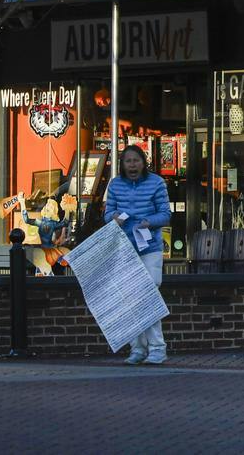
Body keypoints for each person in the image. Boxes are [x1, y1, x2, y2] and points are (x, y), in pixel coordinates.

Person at [103, 144, 170, 364]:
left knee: (147, 292)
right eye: (128, 161)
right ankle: (139, 349)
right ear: (122, 164)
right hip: (125, 249)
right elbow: (107, 215)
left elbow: (165, 215)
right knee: (132, 300)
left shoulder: (157, 183)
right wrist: (114, 217)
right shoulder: (115, 184)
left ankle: (157, 348)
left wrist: (149, 222)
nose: (132, 165)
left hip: (149, 247)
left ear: (143, 162)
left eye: (136, 160)